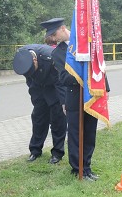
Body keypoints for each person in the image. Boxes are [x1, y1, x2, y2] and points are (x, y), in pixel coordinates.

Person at [44, 17, 108, 181]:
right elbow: (64, 78)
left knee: (90, 133)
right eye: (51, 36)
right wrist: (84, 74)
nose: (53, 38)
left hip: (92, 95)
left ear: (63, 28)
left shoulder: (86, 42)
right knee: (76, 134)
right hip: (74, 97)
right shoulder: (58, 52)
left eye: (54, 34)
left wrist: (103, 88)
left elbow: (99, 64)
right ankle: (78, 169)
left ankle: (87, 166)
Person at [12, 44, 67, 164]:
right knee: (38, 120)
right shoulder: (22, 55)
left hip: (54, 88)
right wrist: (36, 98)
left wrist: (64, 102)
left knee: (58, 121)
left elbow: (60, 81)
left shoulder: (51, 56)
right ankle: (35, 150)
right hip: (38, 89)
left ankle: (57, 153)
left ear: (35, 59)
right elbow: (30, 80)